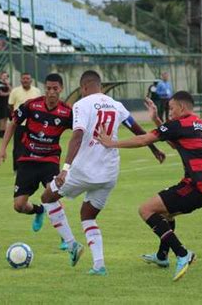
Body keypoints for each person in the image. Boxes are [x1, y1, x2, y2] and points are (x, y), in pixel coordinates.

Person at [40, 70, 165, 276]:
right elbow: (138, 130)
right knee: (88, 216)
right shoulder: (116, 105)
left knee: (47, 197)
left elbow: (77, 136)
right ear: (100, 85)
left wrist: (65, 169)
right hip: (108, 173)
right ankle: (99, 265)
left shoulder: (81, 104)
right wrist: (154, 149)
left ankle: (71, 244)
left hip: (83, 171)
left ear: (83, 88)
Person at [98, 92, 202, 282]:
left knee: (146, 209)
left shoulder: (178, 124)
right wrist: (155, 118)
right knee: (165, 214)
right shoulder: (200, 124)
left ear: (182, 107)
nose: (169, 112)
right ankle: (162, 257)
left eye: (171, 108)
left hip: (198, 186)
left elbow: (144, 140)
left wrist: (111, 143)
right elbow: (173, 142)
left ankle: (182, 254)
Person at [0, 73, 71, 249]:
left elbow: (79, 134)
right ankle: (39, 211)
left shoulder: (67, 112)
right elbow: (13, 123)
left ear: (61, 89)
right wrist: (2, 149)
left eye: (55, 89)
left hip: (49, 161)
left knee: (53, 196)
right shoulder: (32, 105)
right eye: (49, 88)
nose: (51, 92)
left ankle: (65, 236)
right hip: (28, 160)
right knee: (19, 206)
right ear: (45, 88)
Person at [8, 72, 41, 171]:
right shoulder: (15, 91)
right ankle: (17, 168)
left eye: (27, 78)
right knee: (18, 147)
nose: (25, 80)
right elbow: (10, 105)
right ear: (21, 80)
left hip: (33, 124)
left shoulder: (37, 91)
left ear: (31, 80)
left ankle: (32, 166)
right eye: (24, 78)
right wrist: (14, 117)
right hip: (20, 124)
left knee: (34, 145)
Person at [0, 71, 12, 138]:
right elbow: (1, 93)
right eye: (3, 76)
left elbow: (12, 91)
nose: (5, 77)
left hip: (8, 103)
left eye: (6, 76)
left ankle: (6, 132)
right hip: (1, 103)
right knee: (2, 118)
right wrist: (9, 93)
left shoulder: (8, 84)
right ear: (1, 76)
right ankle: (1, 133)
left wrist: (7, 85)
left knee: (7, 118)